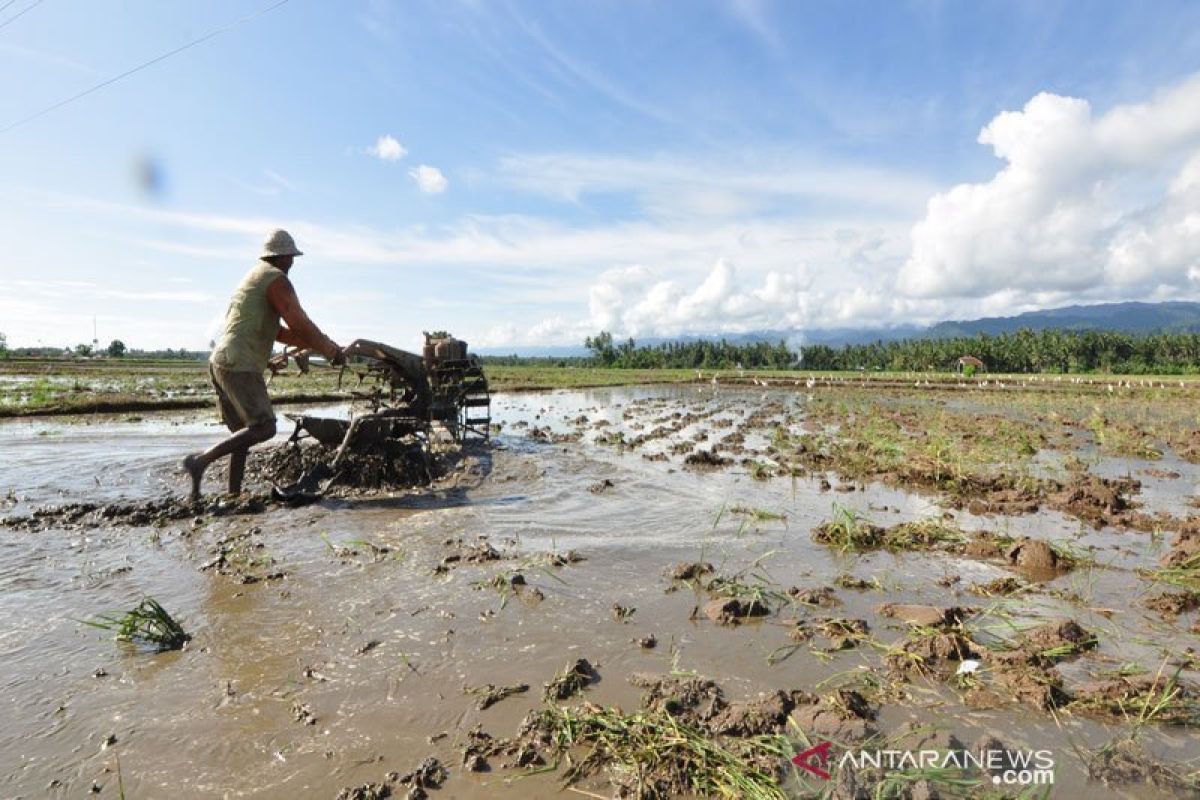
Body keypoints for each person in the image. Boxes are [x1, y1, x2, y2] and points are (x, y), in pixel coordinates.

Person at [182, 229, 344, 500]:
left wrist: (319, 344)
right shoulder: (276, 280)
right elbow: (299, 322)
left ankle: (232, 494)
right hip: (239, 363)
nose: (292, 263)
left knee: (241, 435)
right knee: (265, 427)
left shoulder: (253, 277)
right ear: (283, 257)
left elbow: (279, 332)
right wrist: (330, 350)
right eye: (291, 258)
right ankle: (200, 462)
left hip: (221, 362)